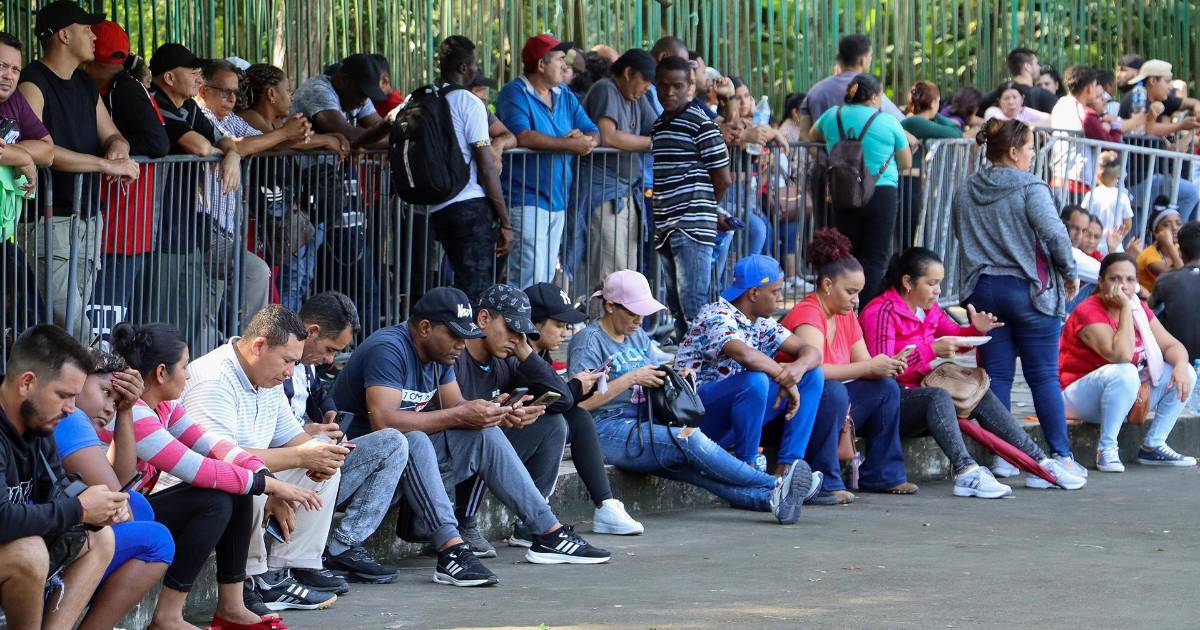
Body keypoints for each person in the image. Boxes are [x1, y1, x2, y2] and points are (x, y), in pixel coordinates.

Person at [331, 286, 612, 566]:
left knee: (486, 431)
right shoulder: (389, 348)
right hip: (356, 470)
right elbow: (384, 422)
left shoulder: (442, 352)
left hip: (409, 467)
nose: (461, 344)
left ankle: (549, 532)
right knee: (413, 438)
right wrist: (463, 414)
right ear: (426, 328)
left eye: (464, 336)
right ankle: (452, 547)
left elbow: (457, 406)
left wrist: (492, 413)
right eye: (455, 335)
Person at [110, 321, 321, 629]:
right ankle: (168, 617)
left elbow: (213, 445)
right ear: (161, 373)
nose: (189, 374)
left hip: (134, 509)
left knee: (235, 486)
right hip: (112, 518)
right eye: (184, 366)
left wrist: (263, 476)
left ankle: (232, 607)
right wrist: (267, 485)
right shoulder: (136, 414)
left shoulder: (166, 405)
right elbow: (196, 468)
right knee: (216, 499)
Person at [568, 270, 819, 524]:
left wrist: (677, 377)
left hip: (647, 422)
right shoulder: (589, 341)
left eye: (643, 313)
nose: (639, 320)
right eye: (633, 312)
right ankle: (776, 483)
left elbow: (654, 375)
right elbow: (579, 404)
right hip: (605, 429)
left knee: (694, 471)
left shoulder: (637, 335)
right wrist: (631, 378)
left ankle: (771, 499)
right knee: (690, 439)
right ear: (610, 306)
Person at [860, 247, 1087, 491]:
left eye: (940, 283)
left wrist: (975, 329)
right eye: (932, 284)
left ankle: (1041, 464)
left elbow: (954, 336)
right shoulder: (881, 311)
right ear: (908, 282)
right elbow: (883, 369)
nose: (938, 291)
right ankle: (966, 472)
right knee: (938, 396)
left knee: (977, 390)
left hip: (920, 392)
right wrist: (931, 350)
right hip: (891, 403)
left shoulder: (928, 309)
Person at [179, 306, 350, 611]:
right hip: (196, 490)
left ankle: (287, 570)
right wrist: (281, 478)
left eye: (295, 363)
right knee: (250, 481)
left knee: (322, 457)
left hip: (247, 473)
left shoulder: (266, 377)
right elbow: (218, 460)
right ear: (259, 346)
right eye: (287, 361)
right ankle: (250, 580)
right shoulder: (214, 379)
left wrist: (324, 456)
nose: (290, 372)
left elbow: (294, 438)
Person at [950, 118, 1088, 479]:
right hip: (1028, 291)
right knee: (1042, 376)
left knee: (996, 375)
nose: (1032, 155)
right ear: (1013, 152)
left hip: (981, 290)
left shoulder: (966, 189)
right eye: (1029, 148)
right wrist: (1069, 272)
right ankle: (1060, 457)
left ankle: (1004, 456)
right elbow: (1055, 233)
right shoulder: (1030, 186)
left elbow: (959, 233)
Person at [18, 1, 140, 342]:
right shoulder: (32, 82)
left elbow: (112, 133)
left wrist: (118, 147)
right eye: (87, 29)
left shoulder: (85, 83)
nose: (93, 35)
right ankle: (101, 363)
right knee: (70, 318)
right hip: (47, 217)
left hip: (87, 217)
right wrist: (104, 164)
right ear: (64, 35)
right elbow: (38, 149)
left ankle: (76, 375)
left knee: (70, 321)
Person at [0, 325, 122, 630]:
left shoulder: (36, 423)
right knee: (29, 553)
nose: (71, 409)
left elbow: (55, 489)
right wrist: (80, 508)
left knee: (100, 538)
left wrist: (99, 506)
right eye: (64, 395)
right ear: (27, 383)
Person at [779, 230, 914, 504]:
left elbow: (863, 363)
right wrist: (869, 366)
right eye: (850, 292)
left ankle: (883, 475)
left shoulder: (846, 314)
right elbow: (814, 372)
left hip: (833, 404)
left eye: (858, 293)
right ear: (827, 285)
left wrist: (884, 366)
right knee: (831, 390)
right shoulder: (808, 313)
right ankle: (824, 482)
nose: (856, 300)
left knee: (886, 388)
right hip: (794, 407)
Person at [674, 255, 828, 480]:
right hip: (698, 419)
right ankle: (748, 468)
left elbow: (811, 351)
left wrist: (797, 370)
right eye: (775, 291)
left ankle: (788, 469)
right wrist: (782, 375)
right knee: (755, 379)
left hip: (737, 417)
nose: (781, 297)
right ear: (754, 293)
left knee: (812, 375)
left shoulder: (761, 322)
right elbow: (744, 355)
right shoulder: (716, 315)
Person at [52, 349, 175, 630]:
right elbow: (117, 498)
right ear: (78, 380)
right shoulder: (70, 417)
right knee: (158, 541)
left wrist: (127, 410)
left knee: (140, 506)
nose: (110, 408)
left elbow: (122, 487)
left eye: (116, 402)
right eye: (106, 392)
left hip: (53, 527)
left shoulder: (77, 418)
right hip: (34, 536)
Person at [451, 284, 575, 552]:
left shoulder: (506, 358)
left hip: (479, 455)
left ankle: (533, 522)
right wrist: (490, 416)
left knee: (553, 424)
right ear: (483, 318)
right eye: (511, 329)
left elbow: (563, 399)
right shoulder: (455, 353)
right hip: (446, 456)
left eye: (522, 333)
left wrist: (525, 352)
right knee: (486, 430)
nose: (516, 339)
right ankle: (464, 521)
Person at [524, 282, 644, 534]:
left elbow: (558, 401)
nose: (565, 333)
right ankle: (532, 520)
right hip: (505, 437)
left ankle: (605, 504)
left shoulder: (541, 352)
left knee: (577, 417)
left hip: (527, 430)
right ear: (534, 324)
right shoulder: (519, 353)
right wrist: (576, 387)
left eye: (566, 326)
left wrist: (585, 387)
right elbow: (557, 402)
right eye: (559, 325)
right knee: (557, 422)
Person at [1060, 252, 1197, 471]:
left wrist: (1180, 365)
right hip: (1076, 396)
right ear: (1101, 282)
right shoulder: (1088, 311)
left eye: (1130, 280)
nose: (1123, 286)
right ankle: (1106, 449)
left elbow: (1172, 345)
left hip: (1122, 394)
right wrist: (1125, 308)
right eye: (1115, 279)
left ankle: (1153, 445)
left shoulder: (1138, 308)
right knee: (1125, 371)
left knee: (1187, 372)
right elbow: (1121, 355)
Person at [147, 42, 243, 350]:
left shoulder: (188, 107)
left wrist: (231, 156)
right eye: (192, 72)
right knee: (159, 317)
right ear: (169, 78)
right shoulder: (154, 102)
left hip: (185, 225)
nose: (199, 78)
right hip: (158, 229)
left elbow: (222, 140)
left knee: (191, 312)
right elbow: (200, 146)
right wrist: (220, 153)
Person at [495, 33, 599, 288]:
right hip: (525, 196)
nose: (565, 65)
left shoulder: (564, 93)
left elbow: (593, 130)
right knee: (528, 273)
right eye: (560, 59)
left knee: (544, 275)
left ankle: (536, 316)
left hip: (558, 198)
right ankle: (520, 316)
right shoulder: (514, 93)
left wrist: (586, 141)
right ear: (541, 64)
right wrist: (570, 144)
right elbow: (522, 135)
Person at [81, 20, 168, 319]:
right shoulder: (121, 86)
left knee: (104, 316)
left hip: (123, 225)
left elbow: (158, 143)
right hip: (122, 222)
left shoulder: (124, 90)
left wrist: (115, 149)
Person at [809, 74, 912, 306]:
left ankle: (841, 310)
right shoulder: (888, 122)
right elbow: (905, 162)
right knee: (875, 257)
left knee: (845, 253)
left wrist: (825, 161)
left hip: (843, 191)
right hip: (881, 192)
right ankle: (867, 312)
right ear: (874, 97)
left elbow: (811, 138)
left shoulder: (832, 116)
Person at [650, 55, 731, 340]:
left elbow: (723, 178)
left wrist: (705, 208)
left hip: (692, 226)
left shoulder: (700, 122)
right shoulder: (659, 125)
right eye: (663, 85)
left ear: (690, 87)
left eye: (678, 86)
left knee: (694, 304)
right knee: (676, 304)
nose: (669, 92)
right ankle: (688, 362)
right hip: (665, 225)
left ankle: (705, 360)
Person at [426, 35, 512, 304]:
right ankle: (470, 332)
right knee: (477, 294)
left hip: (438, 206)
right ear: (464, 67)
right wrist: (505, 221)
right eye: (474, 64)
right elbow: (486, 166)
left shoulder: (425, 98)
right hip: (469, 206)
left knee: (457, 287)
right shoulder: (468, 102)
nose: (476, 69)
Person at [571, 48, 657, 298]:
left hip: (626, 191)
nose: (647, 88)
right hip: (603, 193)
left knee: (627, 270)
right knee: (609, 271)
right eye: (645, 81)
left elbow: (659, 127)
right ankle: (601, 319)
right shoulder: (606, 89)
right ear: (629, 73)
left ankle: (622, 320)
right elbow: (608, 136)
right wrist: (651, 143)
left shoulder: (637, 97)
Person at [0, 32, 56, 334]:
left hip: (3, 236)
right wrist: (21, 157)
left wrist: (19, 154)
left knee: (31, 316)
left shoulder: (16, 101)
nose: (8, 75)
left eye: (15, 69)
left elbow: (47, 150)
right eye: (1, 66)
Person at [1117, 60, 1200, 221]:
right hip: (1138, 179)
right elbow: (1147, 129)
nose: (1170, 87)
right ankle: (1177, 232)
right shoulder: (1138, 96)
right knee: (1190, 194)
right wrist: (1181, 125)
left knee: (1137, 232)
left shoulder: (1159, 98)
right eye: (1167, 81)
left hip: (1150, 176)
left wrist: (1195, 114)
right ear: (1152, 81)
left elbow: (1189, 103)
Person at [794, 33, 906, 135]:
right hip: (866, 151)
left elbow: (804, 134)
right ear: (863, 60)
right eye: (870, 55)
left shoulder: (816, 90)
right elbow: (901, 122)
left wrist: (820, 151)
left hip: (826, 151)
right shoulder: (869, 88)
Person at [239, 63, 350, 156]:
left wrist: (332, 137)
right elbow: (278, 142)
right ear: (271, 94)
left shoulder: (276, 122)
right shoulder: (250, 116)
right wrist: (327, 140)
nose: (292, 97)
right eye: (288, 91)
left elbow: (295, 139)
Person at [291, 53, 391, 150]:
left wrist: (388, 135)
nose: (363, 102)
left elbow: (382, 130)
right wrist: (392, 138)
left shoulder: (358, 96)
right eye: (361, 93)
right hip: (298, 161)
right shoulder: (318, 91)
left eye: (367, 96)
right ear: (343, 80)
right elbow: (350, 136)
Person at [1048, 65, 1105, 193]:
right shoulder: (1072, 106)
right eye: (1094, 85)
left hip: (1069, 177)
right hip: (1072, 179)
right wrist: (1101, 127)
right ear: (1089, 88)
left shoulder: (1064, 103)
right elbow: (1079, 129)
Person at [1150, 221, 1200, 360]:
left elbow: (1150, 309)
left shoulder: (1165, 279)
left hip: (1177, 359)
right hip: (1179, 360)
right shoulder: (1167, 279)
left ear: (1179, 252)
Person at [1082, 151, 1134, 255]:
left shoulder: (1091, 195)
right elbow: (1128, 224)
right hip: (1116, 247)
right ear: (1118, 175)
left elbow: (1083, 218)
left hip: (1093, 247)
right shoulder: (1122, 196)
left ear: (1098, 174)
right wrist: (1119, 235)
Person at [980, 47, 1058, 113]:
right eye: (1036, 64)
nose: (1039, 67)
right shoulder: (1045, 96)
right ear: (1027, 66)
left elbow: (975, 114)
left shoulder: (997, 94)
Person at [1137, 208, 1184, 292]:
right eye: (1167, 225)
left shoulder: (1179, 247)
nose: (1175, 228)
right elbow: (1182, 277)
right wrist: (1169, 246)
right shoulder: (1148, 255)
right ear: (1156, 232)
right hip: (1148, 299)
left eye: (1179, 224)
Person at [982, 81, 1051, 126]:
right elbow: (1008, 126)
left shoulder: (1024, 111)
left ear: (1022, 99)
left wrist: (1031, 125)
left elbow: (1051, 119)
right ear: (999, 101)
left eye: (1015, 97)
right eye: (1006, 98)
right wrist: (1028, 126)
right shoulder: (992, 111)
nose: (1011, 102)